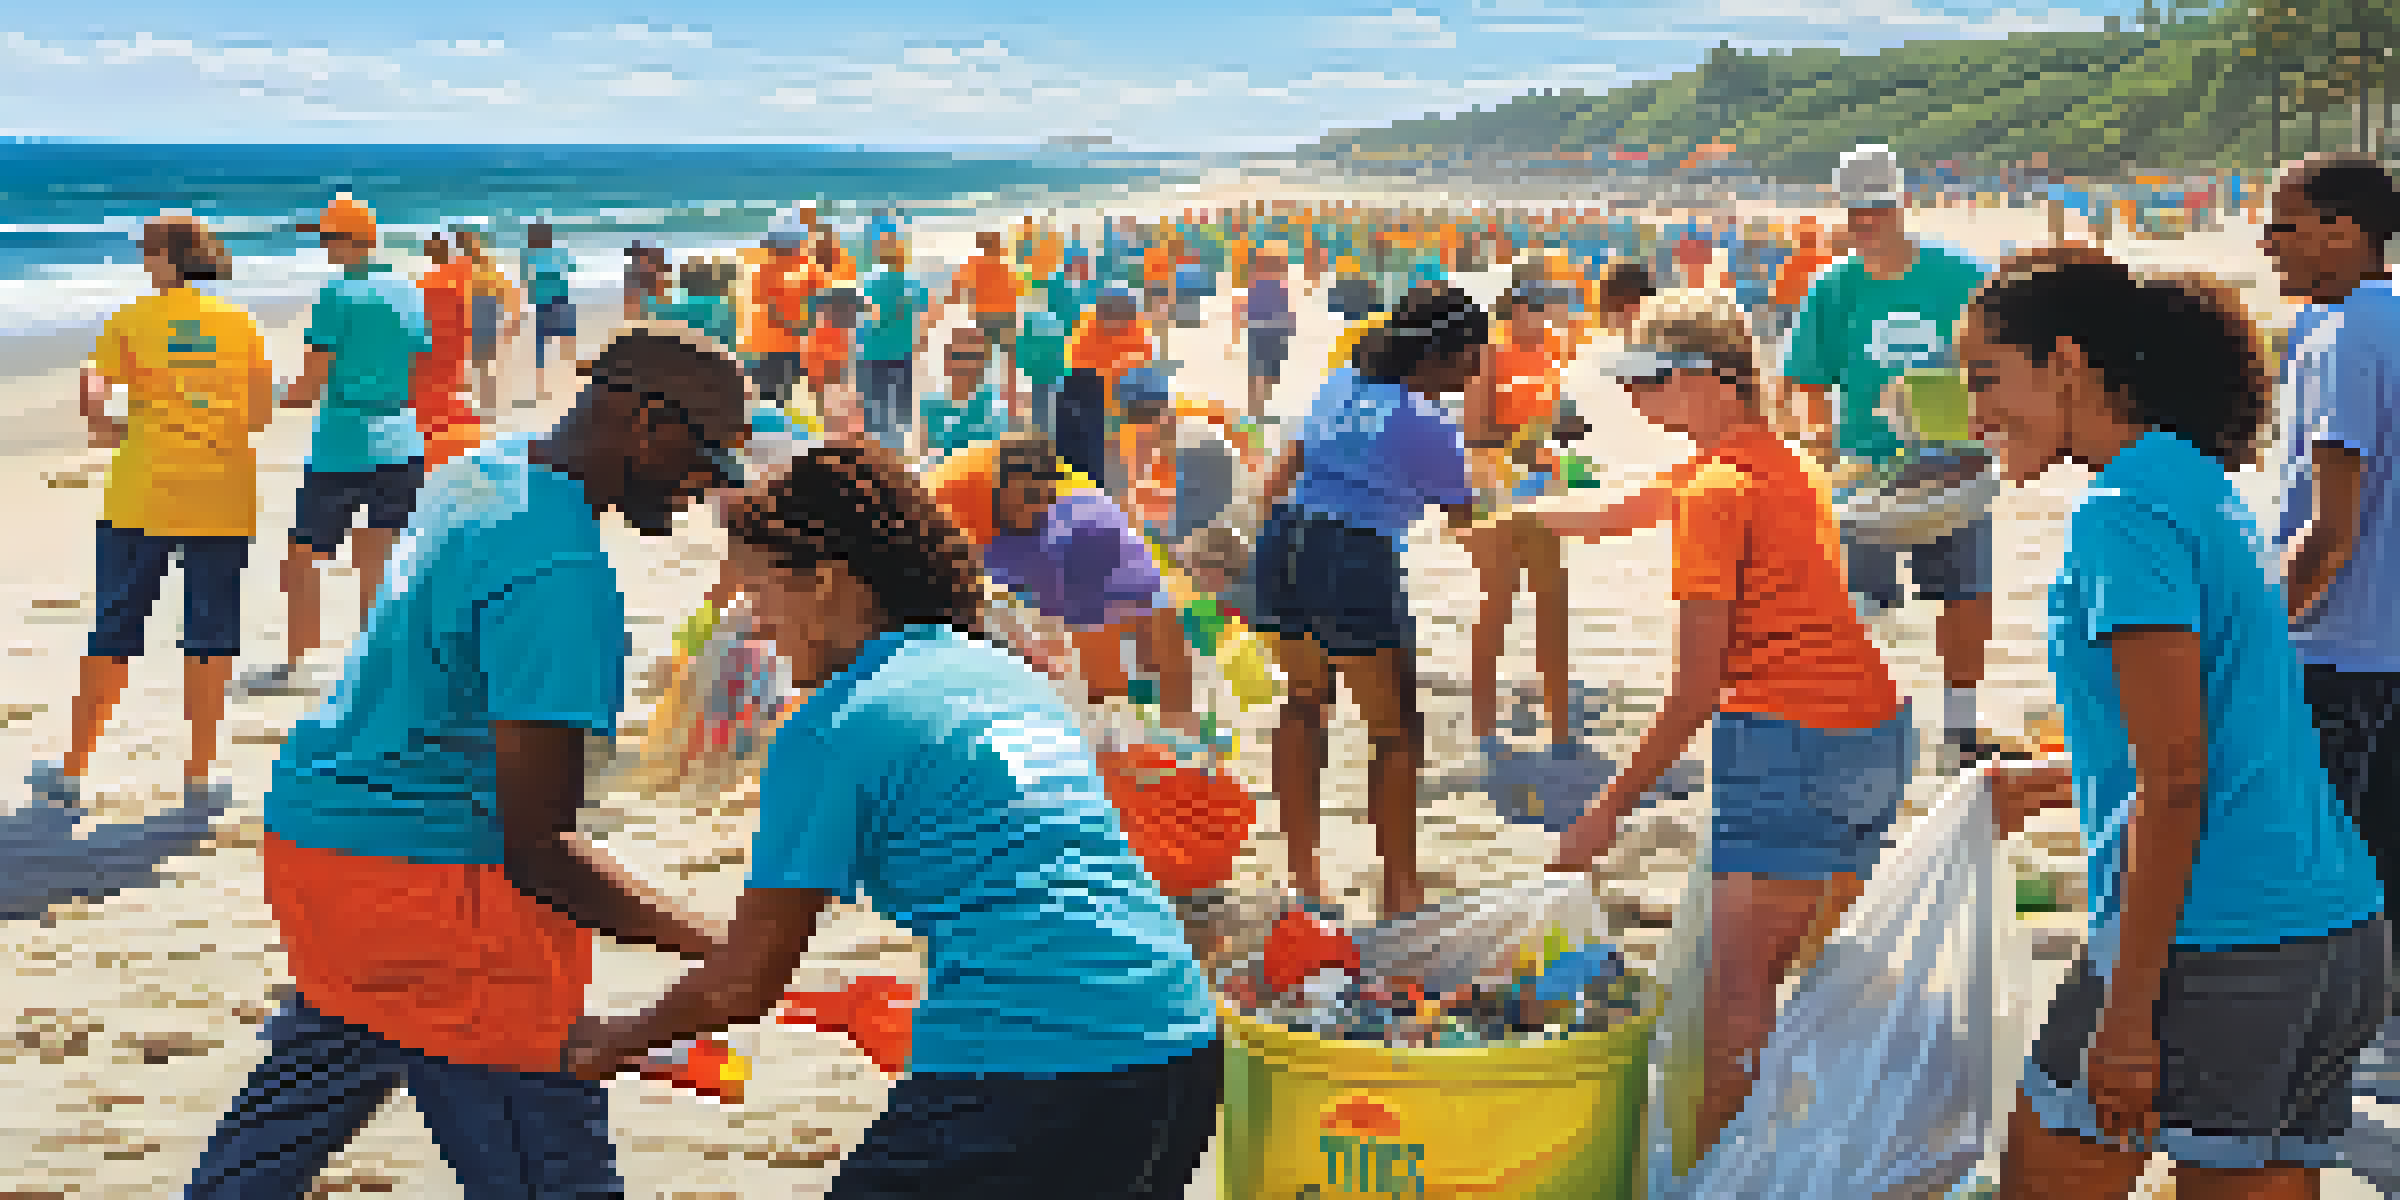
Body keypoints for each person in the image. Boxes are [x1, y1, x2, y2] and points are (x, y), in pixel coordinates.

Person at [559, 438, 1223, 1199]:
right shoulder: (1005, 674)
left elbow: (742, 987)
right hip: (1177, 1041)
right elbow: (1041, 879)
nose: (754, 624)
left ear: (827, 581)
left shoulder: (830, 729)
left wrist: (614, 1040)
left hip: (1032, 1070)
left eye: (761, 591)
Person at [184, 326, 751, 1199]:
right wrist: (714, 944)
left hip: (319, 849)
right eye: (705, 454)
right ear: (643, 421)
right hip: (435, 889)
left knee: (300, 1101)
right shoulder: (560, 574)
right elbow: (536, 847)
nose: (708, 482)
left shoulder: (480, 469)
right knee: (546, 1162)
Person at [1962, 245, 2391, 1200]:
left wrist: (2125, 1017)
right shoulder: (2193, 483)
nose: (1976, 413)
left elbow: (2179, 778)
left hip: (2220, 941)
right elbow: (2233, 706)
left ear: (2067, 363)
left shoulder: (2124, 516)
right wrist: (2052, 779)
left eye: (1989, 378)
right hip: (2334, 935)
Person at [1494, 291, 1911, 1167]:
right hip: (1875, 737)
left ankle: (1730, 1178)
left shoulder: (1716, 493)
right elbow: (1614, 514)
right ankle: (1822, 1151)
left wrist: (1604, 812)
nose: (1637, 402)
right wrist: (1512, 514)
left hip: (1787, 742)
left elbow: (1694, 690)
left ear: (1709, 381)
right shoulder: (1771, 459)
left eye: (1649, 383)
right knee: (1820, 978)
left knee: (1739, 1004)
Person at [1246, 284, 1483, 921]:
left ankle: (1304, 875)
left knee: (1303, 704)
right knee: (1396, 732)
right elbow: (1464, 523)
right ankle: (1400, 894)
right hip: (1352, 556)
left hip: (1282, 545)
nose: (1477, 370)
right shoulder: (1429, 425)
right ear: (1439, 354)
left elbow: (1276, 481)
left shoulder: (1337, 385)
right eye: (1471, 356)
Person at [1781, 142, 2001, 770]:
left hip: (1955, 461)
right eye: (1855, 213)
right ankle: (1857, 721)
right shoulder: (1833, 286)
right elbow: (1809, 379)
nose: (1866, 224)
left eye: (1877, 210)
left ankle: (1961, 727)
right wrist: (1820, 447)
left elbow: (2003, 362)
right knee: (1859, 604)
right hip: (1867, 471)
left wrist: (1995, 434)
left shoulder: (1961, 275)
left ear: (1901, 204)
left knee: (1964, 593)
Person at [38, 214, 270, 810]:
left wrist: (109, 427)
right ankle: (197, 775)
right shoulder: (241, 323)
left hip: (143, 494)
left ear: (170, 257)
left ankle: (72, 771)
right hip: (221, 496)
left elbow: (93, 386)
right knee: (210, 637)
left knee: (115, 630)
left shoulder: (133, 319)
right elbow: (260, 415)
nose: (143, 260)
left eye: (147, 250)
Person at [2259, 155, 2400, 929]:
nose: (2267, 243)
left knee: (2323, 866)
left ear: (2344, 232)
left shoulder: (2348, 337)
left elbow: (2332, 531)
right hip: (2388, 646)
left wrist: (2255, 628)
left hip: (2339, 653)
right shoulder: (2372, 324)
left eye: (2284, 226)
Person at [241, 193, 430, 698]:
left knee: (301, 556)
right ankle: (376, 664)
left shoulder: (338, 295)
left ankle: (295, 666)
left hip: (345, 446)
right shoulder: (408, 290)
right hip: (403, 442)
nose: (323, 247)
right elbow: (417, 367)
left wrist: (266, 393)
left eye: (328, 238)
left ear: (354, 240)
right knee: (378, 555)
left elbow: (307, 388)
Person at [924, 433, 1199, 734]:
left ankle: (1172, 726)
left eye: (1038, 500)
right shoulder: (954, 511)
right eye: (1023, 500)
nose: (1028, 510)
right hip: (960, 535)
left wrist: (1114, 713)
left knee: (1128, 669)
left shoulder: (1086, 533)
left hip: (1081, 558)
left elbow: (1112, 631)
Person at [1463, 276, 1582, 753]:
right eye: (1540, 307)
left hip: (1540, 492)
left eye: (1552, 306)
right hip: (1494, 491)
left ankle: (1559, 722)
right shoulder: (1489, 356)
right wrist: (1522, 449)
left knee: (1553, 603)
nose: (1549, 315)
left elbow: (1552, 419)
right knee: (1498, 603)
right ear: (1514, 310)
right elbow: (1473, 431)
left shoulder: (1552, 353)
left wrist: (1565, 438)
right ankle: (1483, 720)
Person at [1057, 285, 1156, 488]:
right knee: (1083, 448)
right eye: (1109, 314)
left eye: (1122, 315)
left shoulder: (1137, 333)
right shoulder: (1085, 332)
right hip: (1086, 392)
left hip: (1119, 394)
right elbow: (1078, 374)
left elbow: (1141, 370)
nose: (1115, 321)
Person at [410, 233, 484, 470]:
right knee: (447, 396)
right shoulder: (459, 273)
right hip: (453, 350)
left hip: (438, 353)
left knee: (435, 403)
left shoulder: (427, 284)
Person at [857, 239, 929, 453]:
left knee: (874, 412)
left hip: (875, 352)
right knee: (900, 411)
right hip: (903, 353)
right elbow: (927, 314)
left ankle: (876, 454)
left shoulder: (872, 281)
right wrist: (919, 340)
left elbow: (869, 314)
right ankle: (896, 453)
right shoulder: (912, 282)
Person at [949, 230, 1025, 417]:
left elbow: (957, 288)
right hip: (1007, 317)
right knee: (1010, 365)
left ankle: (977, 406)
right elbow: (1018, 290)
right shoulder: (1006, 266)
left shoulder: (974, 264)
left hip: (984, 318)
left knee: (980, 364)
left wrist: (958, 302)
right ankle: (1012, 408)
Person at [749, 214, 820, 416]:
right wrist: (801, 326)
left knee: (780, 400)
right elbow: (772, 308)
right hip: (773, 348)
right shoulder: (768, 272)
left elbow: (815, 297)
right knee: (773, 400)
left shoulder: (798, 269)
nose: (800, 250)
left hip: (786, 347)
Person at [453, 229, 522, 417]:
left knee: (483, 359)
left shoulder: (484, 265)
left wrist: (513, 318)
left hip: (484, 309)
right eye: (464, 243)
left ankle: (484, 401)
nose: (467, 246)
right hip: (475, 309)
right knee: (476, 360)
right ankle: (480, 400)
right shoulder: (465, 264)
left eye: (468, 242)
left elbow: (507, 291)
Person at [1230, 241, 1298, 424]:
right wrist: (1238, 329)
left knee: (1270, 372)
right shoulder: (1253, 284)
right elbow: (1242, 308)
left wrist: (1291, 326)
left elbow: (1285, 307)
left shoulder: (1278, 284)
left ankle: (1260, 406)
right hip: (1260, 330)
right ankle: (1256, 409)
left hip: (1274, 331)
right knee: (1258, 370)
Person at [920, 324, 1010, 462]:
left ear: (985, 362)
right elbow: (926, 458)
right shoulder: (930, 406)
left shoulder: (995, 409)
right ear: (946, 359)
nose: (966, 364)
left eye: (974, 357)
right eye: (957, 356)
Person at [522, 222, 575, 404]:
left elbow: (525, 280)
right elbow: (571, 268)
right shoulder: (559, 252)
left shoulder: (529, 255)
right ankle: (571, 383)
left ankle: (541, 389)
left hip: (543, 303)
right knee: (567, 344)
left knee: (540, 348)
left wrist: (530, 298)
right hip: (561, 299)